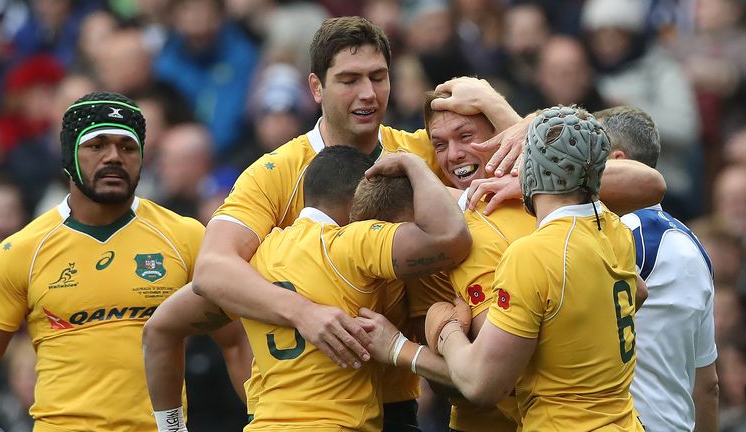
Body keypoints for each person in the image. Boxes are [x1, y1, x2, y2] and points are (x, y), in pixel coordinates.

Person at [187, 16, 520, 430]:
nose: (368, 93)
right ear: (316, 88)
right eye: (349, 80)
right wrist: (304, 313)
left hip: (402, 398)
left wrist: (497, 105)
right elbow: (211, 269)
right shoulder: (273, 172)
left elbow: (568, 176)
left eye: (378, 77)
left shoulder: (425, 152)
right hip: (308, 408)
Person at [0, 92, 205, 431]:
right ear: (70, 154)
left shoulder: (186, 237)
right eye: (97, 145)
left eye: (127, 147)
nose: (114, 157)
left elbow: (237, 342)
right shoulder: (22, 250)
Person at [424, 106, 645, 430]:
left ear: (527, 173)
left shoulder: (531, 254)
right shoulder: (616, 228)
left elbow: (482, 384)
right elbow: (639, 292)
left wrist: (445, 332)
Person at [243, 146, 469, 431]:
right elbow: (451, 238)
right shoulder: (348, 244)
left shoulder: (258, 255)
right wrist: (415, 164)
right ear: (357, 199)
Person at [597, 106, 719, 432]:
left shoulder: (622, 231)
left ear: (617, 162)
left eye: (587, 158)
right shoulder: (695, 246)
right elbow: (707, 385)